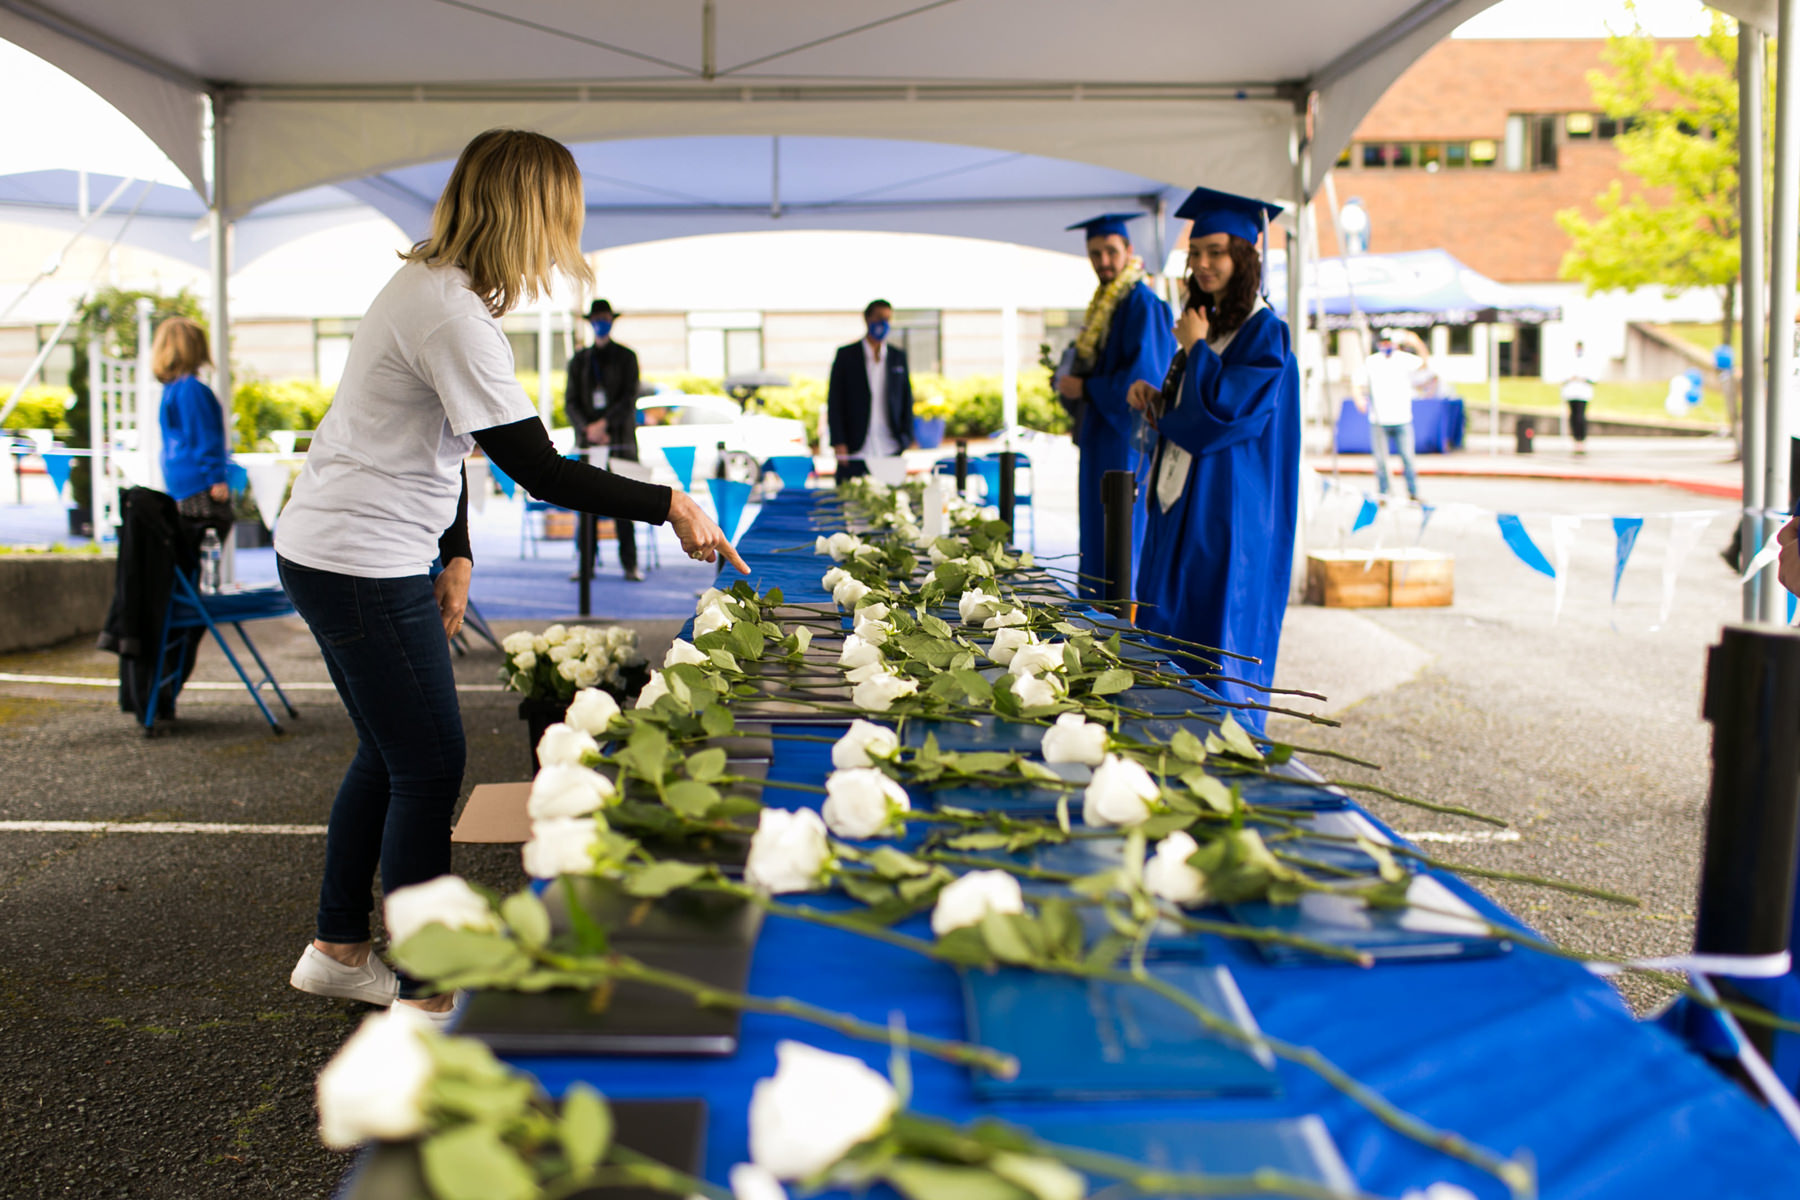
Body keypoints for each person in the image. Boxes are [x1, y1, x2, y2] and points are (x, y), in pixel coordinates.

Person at [275, 129, 747, 1022]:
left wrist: (455, 553)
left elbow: (446, 442)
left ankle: (339, 948)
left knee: (390, 751)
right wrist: (672, 504)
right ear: (527, 214)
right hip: (357, 559)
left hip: (342, 549)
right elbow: (539, 470)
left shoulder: (435, 292)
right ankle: (426, 990)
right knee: (428, 761)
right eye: (559, 220)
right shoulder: (448, 311)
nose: (562, 243)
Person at [1125, 186, 1301, 734]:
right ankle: (1165, 738)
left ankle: (1224, 757)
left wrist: (1196, 350)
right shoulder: (1213, 324)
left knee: (1214, 637)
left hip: (1227, 516)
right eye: (1195, 252)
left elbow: (1219, 420)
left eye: (1216, 253)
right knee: (1169, 631)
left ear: (1246, 256)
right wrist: (1157, 401)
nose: (1202, 264)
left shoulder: (1264, 332)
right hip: (1182, 507)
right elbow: (1188, 415)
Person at [1054, 213, 1176, 600]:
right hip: (1097, 439)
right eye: (1095, 253)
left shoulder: (1143, 304)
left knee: (1120, 540)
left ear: (1129, 252)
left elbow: (1143, 382)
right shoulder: (1106, 305)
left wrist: (1086, 387)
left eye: (1111, 251)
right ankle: (1092, 625)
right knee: (1095, 534)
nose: (1103, 261)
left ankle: (1121, 631)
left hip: (1123, 442)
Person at [563, 299, 645, 580]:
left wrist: (605, 424)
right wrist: (588, 428)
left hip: (620, 444)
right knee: (586, 506)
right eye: (597, 318)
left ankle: (629, 564)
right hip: (589, 445)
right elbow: (570, 402)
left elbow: (629, 398)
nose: (601, 322)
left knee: (626, 504)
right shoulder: (580, 360)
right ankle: (586, 564)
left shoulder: (626, 357)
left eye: (604, 317)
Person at [153, 315, 233, 545]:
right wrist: (216, 478)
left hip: (178, 481)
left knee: (188, 557)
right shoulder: (192, 389)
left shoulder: (171, 389)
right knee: (206, 557)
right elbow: (203, 436)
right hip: (199, 484)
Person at [827, 300, 913, 482]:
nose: (884, 323)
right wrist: (838, 441)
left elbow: (906, 399)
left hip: (890, 447)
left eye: (888, 319)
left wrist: (906, 437)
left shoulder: (898, 357)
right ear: (867, 319)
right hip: (856, 448)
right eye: (879, 318)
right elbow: (835, 402)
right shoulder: (846, 355)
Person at [1357, 328, 1425, 502]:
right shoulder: (1372, 361)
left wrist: (1416, 342)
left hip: (1402, 418)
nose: (1386, 346)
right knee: (1381, 461)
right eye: (1384, 342)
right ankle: (1383, 494)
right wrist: (1358, 398)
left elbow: (1425, 363)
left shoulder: (1403, 359)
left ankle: (1413, 492)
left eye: (1389, 342)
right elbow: (1356, 380)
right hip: (1379, 418)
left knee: (1408, 459)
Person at [1562, 340, 1598, 454]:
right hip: (1571, 392)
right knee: (1573, 416)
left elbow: (1593, 378)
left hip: (1583, 393)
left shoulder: (1588, 361)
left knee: (1580, 416)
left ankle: (1581, 439)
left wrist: (1582, 378)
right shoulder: (1569, 360)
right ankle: (1575, 438)